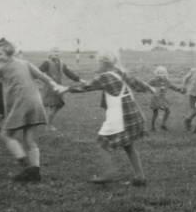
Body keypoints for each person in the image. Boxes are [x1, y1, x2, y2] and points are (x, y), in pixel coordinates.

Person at [61, 50, 156, 186]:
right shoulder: (121, 73)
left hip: (120, 117)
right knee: (129, 146)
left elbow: (86, 86)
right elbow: (137, 83)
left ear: (102, 63)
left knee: (102, 143)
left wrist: (65, 89)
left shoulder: (104, 77)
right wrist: (150, 88)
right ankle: (140, 177)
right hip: (133, 114)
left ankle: (109, 173)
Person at [0, 38, 64, 182]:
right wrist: (54, 84)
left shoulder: (1, 68)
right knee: (29, 139)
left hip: (21, 104)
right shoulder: (25, 63)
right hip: (35, 103)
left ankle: (26, 165)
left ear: (9, 53)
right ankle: (36, 172)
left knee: (6, 134)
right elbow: (41, 75)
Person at [39, 47, 84, 131]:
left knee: (59, 105)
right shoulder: (47, 62)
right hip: (50, 88)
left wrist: (80, 80)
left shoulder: (61, 63)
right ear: (50, 53)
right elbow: (38, 72)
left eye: (58, 51)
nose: (56, 53)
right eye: (54, 51)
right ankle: (48, 125)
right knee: (55, 105)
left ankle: (47, 122)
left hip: (59, 87)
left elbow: (69, 73)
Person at [148, 66, 183, 131]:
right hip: (155, 99)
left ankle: (163, 124)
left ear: (166, 73)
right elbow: (147, 86)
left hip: (162, 99)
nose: (162, 74)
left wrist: (178, 89)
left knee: (167, 111)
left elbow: (172, 86)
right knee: (155, 113)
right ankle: (153, 128)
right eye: (160, 73)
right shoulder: (154, 81)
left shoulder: (166, 81)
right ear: (157, 74)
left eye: (164, 73)